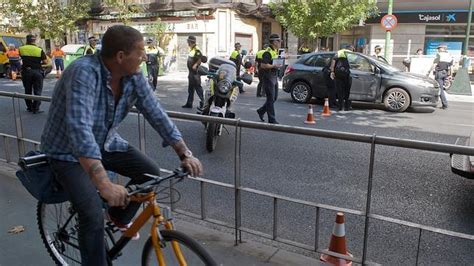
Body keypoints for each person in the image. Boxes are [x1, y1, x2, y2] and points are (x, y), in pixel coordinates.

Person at [40, 25, 203, 266]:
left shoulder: (133, 76)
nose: (145, 57)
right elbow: (79, 130)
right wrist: (104, 184)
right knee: (92, 215)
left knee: (149, 173)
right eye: (140, 52)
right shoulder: (83, 73)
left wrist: (184, 152)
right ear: (120, 56)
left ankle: (117, 217)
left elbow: (156, 113)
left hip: (105, 142)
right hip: (67, 152)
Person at [256, 34, 282, 124]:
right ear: (274, 42)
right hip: (268, 76)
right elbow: (263, 65)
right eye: (278, 41)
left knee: (274, 98)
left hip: (274, 76)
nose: (280, 43)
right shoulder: (268, 52)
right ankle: (272, 119)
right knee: (271, 98)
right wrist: (274, 65)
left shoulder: (275, 50)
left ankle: (261, 111)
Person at [19, 34, 48, 114]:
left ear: (26, 40)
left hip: (26, 72)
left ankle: (29, 107)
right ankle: (36, 108)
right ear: (34, 40)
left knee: (27, 90)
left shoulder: (21, 49)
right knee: (37, 91)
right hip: (37, 71)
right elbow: (45, 61)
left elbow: (20, 58)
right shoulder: (39, 50)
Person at [182, 35, 204, 109]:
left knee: (198, 88)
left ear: (191, 42)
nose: (187, 43)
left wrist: (195, 65)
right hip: (191, 73)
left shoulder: (196, 49)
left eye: (188, 41)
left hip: (195, 73)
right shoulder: (192, 49)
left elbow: (200, 59)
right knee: (190, 89)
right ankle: (189, 103)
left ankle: (203, 102)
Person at [330, 44, 354, 111]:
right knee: (348, 91)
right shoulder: (352, 54)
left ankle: (341, 107)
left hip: (338, 74)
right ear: (351, 48)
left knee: (340, 91)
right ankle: (347, 106)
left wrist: (332, 71)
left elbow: (333, 61)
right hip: (348, 74)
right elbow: (355, 64)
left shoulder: (339, 52)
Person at [429, 43, 452, 109]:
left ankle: (443, 104)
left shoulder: (439, 55)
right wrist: (450, 75)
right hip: (445, 73)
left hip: (439, 73)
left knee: (438, 88)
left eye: (439, 48)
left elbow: (434, 64)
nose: (438, 50)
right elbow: (451, 66)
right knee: (440, 88)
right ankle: (438, 103)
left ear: (443, 49)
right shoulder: (449, 55)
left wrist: (428, 72)